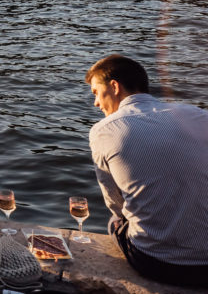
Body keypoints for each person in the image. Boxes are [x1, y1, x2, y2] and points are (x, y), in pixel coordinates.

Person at [85, 54, 208, 286]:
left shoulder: (104, 130)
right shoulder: (199, 116)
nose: (96, 103)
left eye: (95, 93)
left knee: (115, 221)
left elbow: (115, 204)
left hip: (158, 263)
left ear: (114, 86)